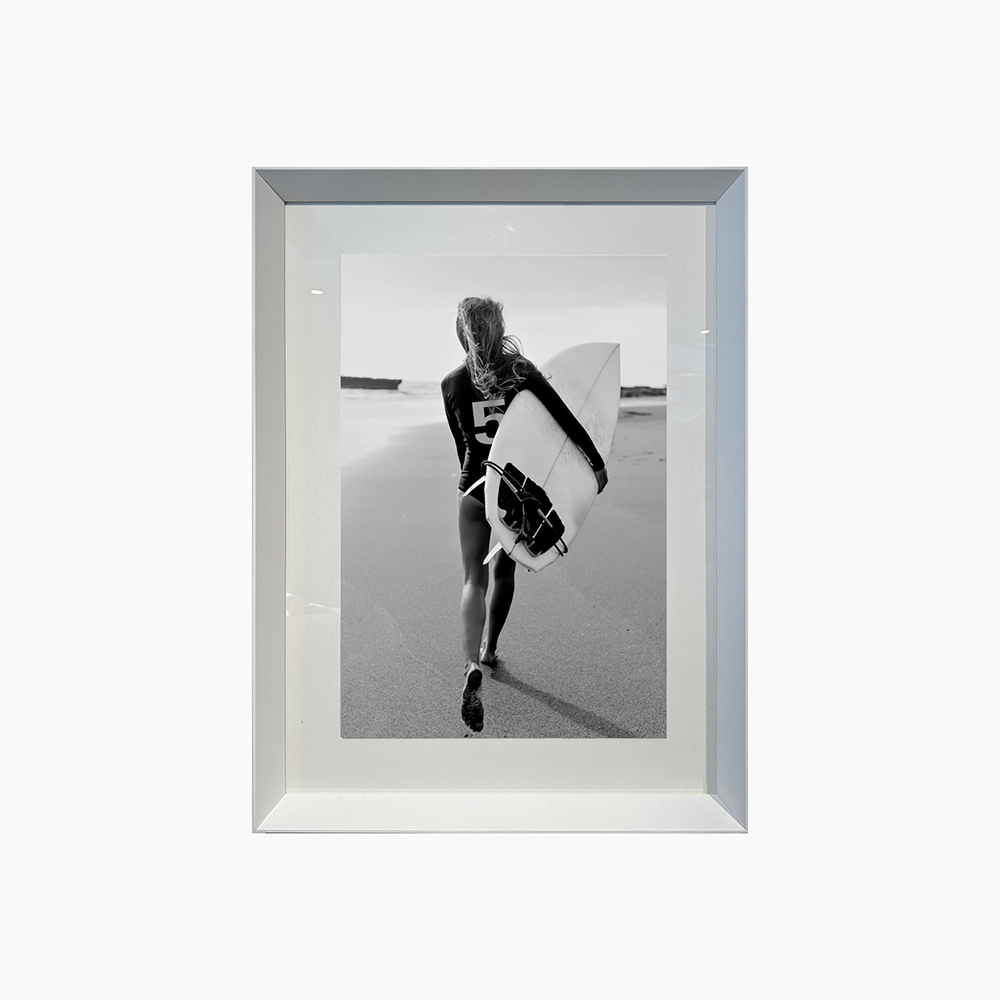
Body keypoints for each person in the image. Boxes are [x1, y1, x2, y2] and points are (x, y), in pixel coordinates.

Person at [441, 297, 608, 732]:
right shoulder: (520, 371)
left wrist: (474, 483)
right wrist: (594, 463)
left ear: (462, 333)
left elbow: (462, 446)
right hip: (514, 494)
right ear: (499, 327)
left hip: (473, 489)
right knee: (504, 573)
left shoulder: (451, 383)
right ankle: (490, 649)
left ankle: (469, 662)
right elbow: (563, 419)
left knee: (472, 579)